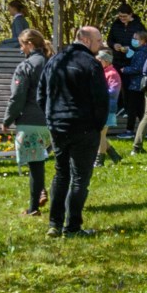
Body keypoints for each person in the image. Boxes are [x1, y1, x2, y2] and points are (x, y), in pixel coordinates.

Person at [41, 25, 110, 238]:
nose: (101, 45)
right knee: (80, 177)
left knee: (61, 173)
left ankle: (54, 223)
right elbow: (101, 99)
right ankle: (72, 226)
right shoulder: (90, 64)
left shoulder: (56, 60)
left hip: (58, 125)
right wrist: (98, 125)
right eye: (98, 41)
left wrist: (52, 117)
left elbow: (41, 93)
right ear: (87, 40)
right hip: (84, 127)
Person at [3, 29, 51, 217]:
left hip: (31, 121)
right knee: (43, 162)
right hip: (52, 122)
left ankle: (33, 208)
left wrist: (7, 120)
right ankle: (41, 191)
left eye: (22, 45)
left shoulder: (26, 66)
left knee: (35, 164)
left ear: (30, 45)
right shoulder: (51, 63)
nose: (21, 49)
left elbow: (17, 97)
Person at [95, 49, 124, 167]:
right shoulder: (103, 72)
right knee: (99, 134)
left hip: (107, 107)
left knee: (100, 134)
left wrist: (97, 91)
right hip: (100, 106)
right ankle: (114, 156)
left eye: (99, 60)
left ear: (106, 61)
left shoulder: (112, 73)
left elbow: (113, 91)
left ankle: (99, 160)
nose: (97, 62)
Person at [121, 27, 147, 139]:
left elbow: (138, 68)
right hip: (141, 84)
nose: (133, 40)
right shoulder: (145, 50)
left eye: (135, 38)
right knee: (140, 108)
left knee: (132, 108)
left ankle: (129, 130)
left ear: (143, 40)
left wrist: (125, 70)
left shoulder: (141, 52)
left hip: (136, 84)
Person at [107, 2, 147, 74]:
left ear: (130, 14)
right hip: (117, 60)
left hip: (132, 61)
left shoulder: (138, 26)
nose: (122, 18)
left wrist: (130, 48)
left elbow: (144, 43)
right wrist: (114, 45)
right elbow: (109, 40)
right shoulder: (115, 24)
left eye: (124, 16)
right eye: (120, 16)